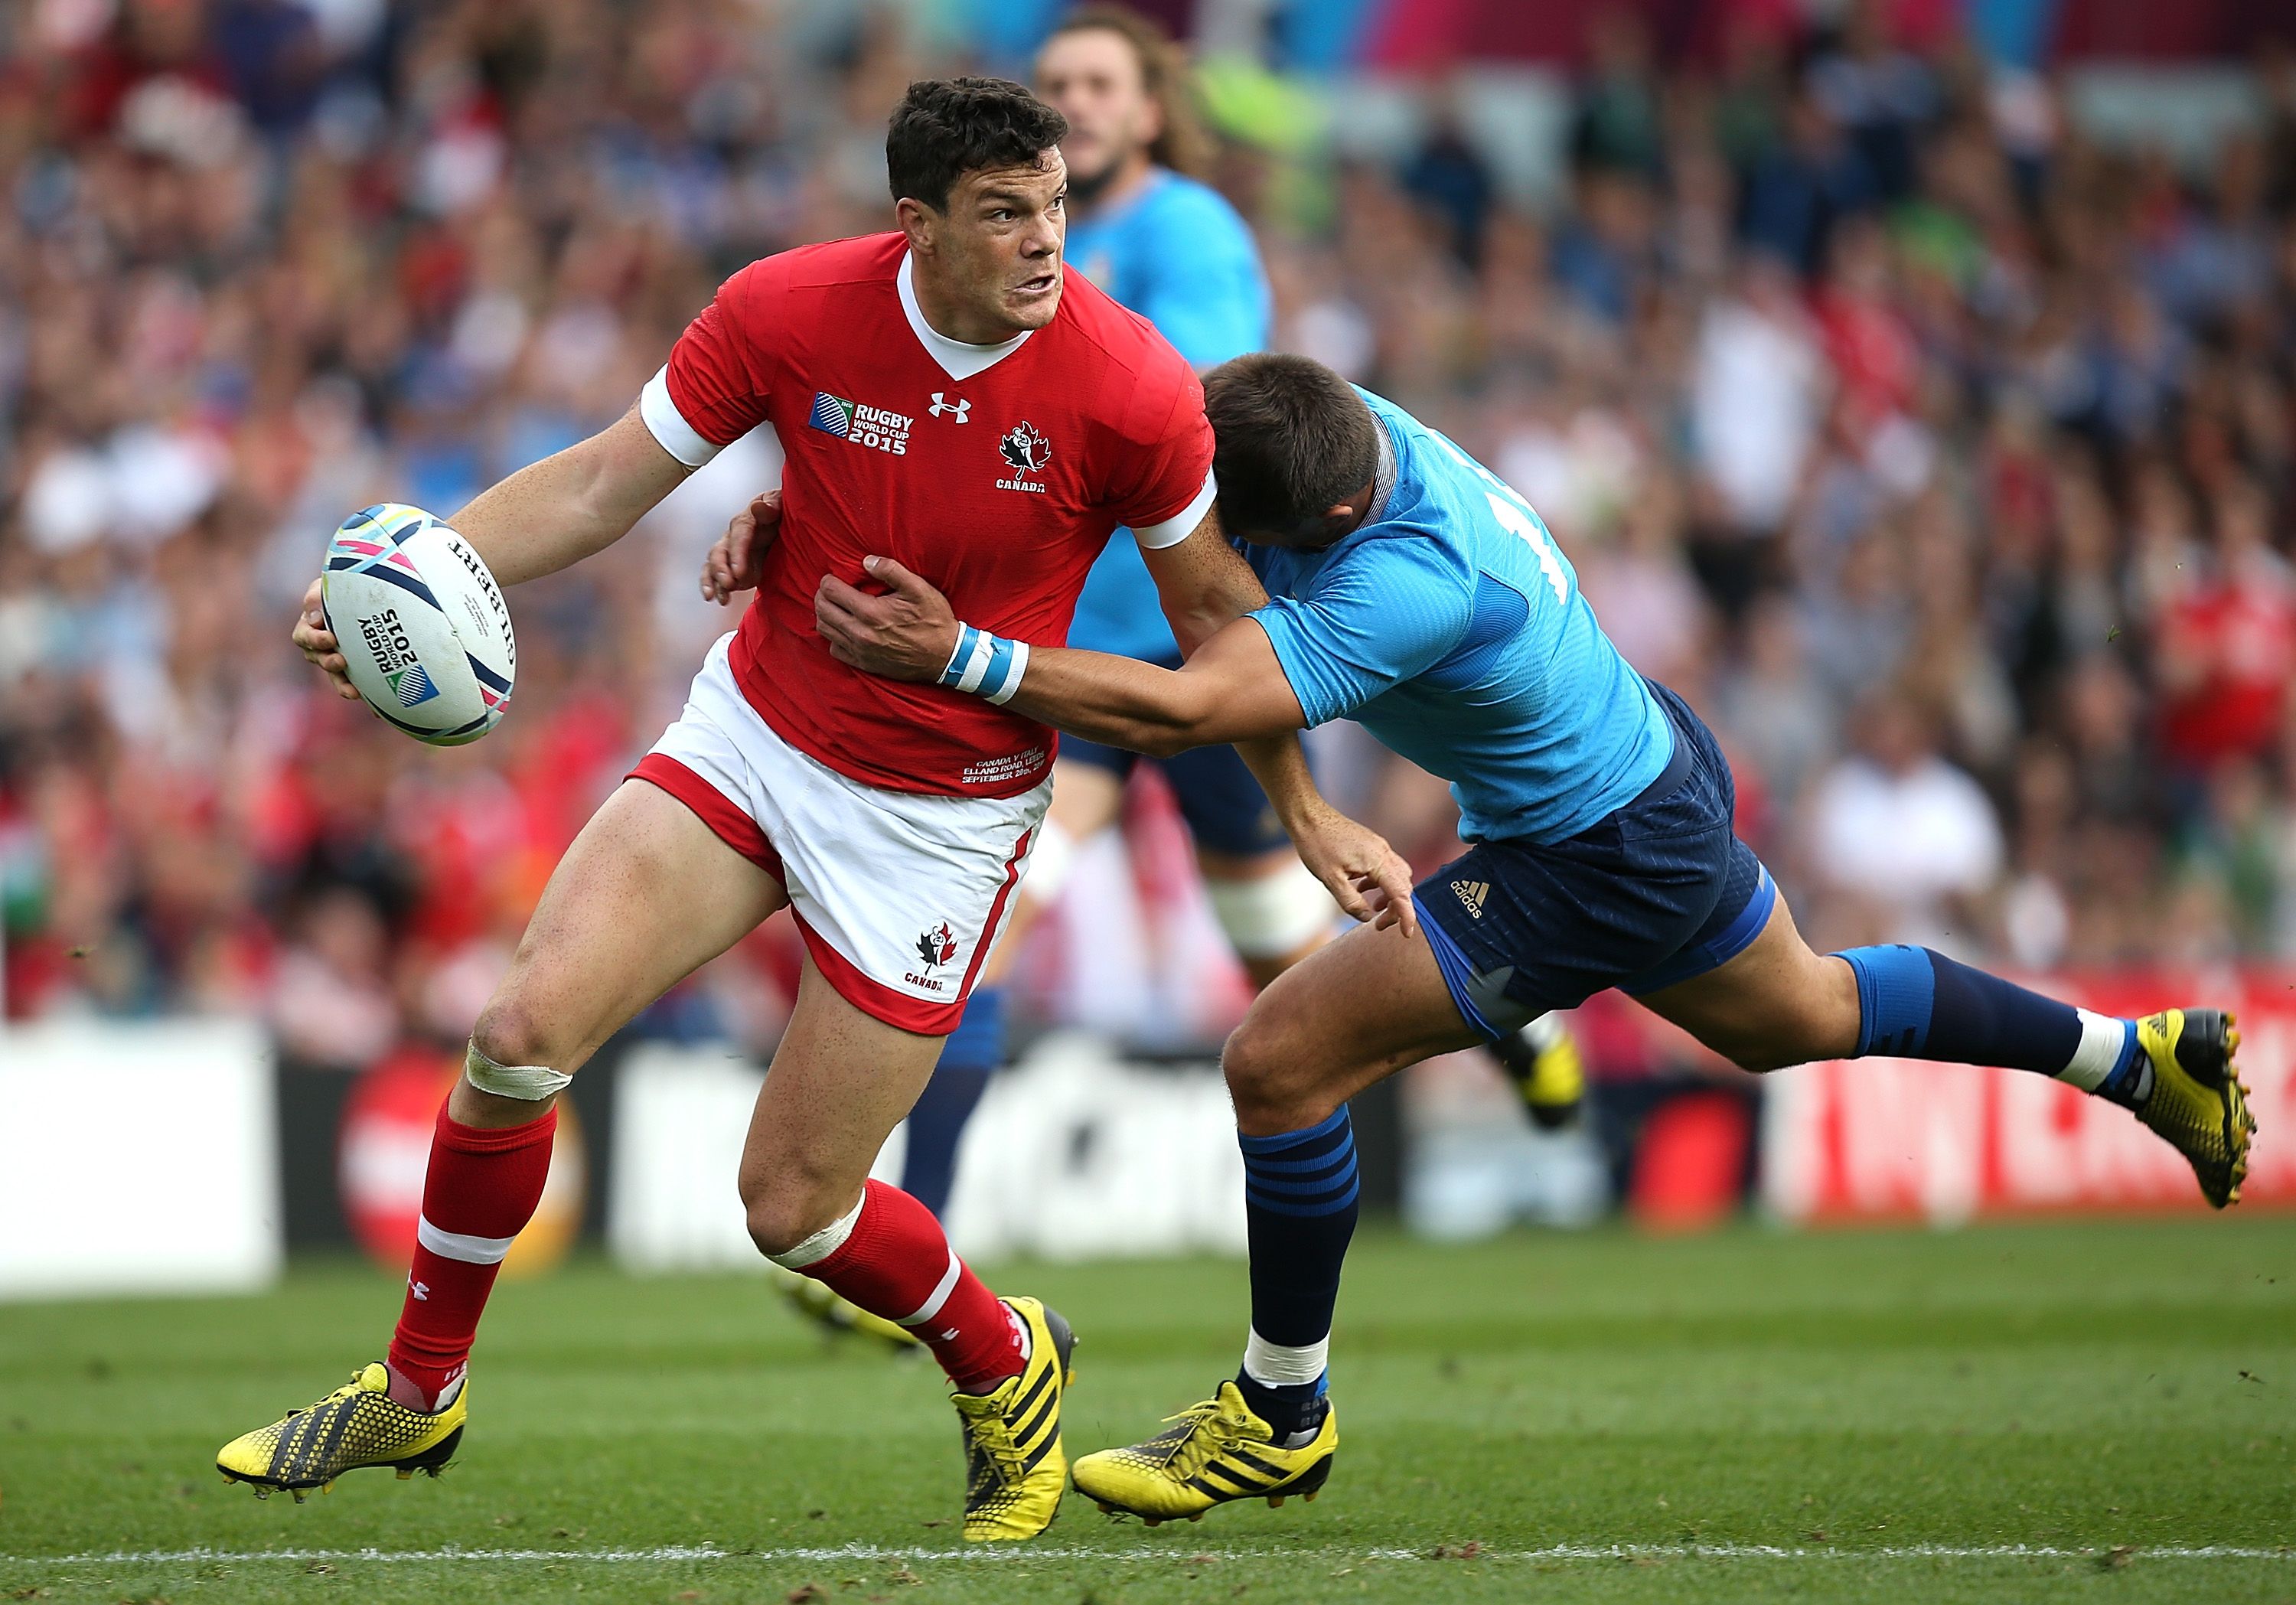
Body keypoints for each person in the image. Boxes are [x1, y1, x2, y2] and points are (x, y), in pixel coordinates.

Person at [217, 83, 1410, 1544]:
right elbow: (602, 484)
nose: (1048, 242)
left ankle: (1003, 1354)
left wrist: (1299, 811)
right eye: (1005, 214)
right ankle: (417, 1384)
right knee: (517, 1036)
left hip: (943, 813)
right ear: (914, 225)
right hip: (759, 731)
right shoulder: (786, 310)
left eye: (1052, 205)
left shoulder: (1135, 386)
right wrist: (404, 585)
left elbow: (1224, 623)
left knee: (792, 1207)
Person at [811, 351, 2257, 1525]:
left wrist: (957, 655)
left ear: (1305, 528)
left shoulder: (1405, 586)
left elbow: (1188, 705)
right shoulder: (1325, 426)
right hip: (1635, 768)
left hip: (1591, 853)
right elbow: (1193, 545)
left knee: (1279, 1061)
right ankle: (2139, 1063)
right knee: (1799, 1015)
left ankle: (1279, 1412)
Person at [867, 8, 1579, 1283]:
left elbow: (1182, 405)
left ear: (1149, 112)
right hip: (1087, 668)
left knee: (1289, 963)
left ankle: (1505, 1020)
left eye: (1102, 82)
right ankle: (921, 1235)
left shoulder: (1186, 229)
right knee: (996, 915)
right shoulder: (1021, 243)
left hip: (1208, 658)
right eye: (1058, 81)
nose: (1075, 100)